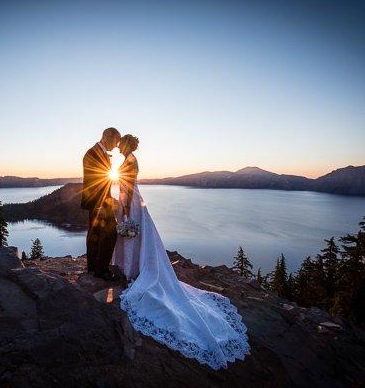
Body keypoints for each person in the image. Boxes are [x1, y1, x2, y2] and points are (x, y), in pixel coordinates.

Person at [112, 134, 250, 369]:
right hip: (132, 201)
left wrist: (123, 209)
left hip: (131, 202)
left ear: (126, 145)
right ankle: (133, 270)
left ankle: (132, 272)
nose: (118, 148)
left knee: (133, 236)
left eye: (120, 145)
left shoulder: (129, 160)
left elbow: (126, 183)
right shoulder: (131, 158)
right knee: (138, 239)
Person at [81, 127, 121, 281]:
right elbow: (96, 182)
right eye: (116, 141)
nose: (117, 146)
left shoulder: (96, 152)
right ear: (106, 137)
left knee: (95, 234)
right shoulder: (94, 153)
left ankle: (93, 267)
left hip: (98, 201)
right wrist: (103, 205)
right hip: (100, 202)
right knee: (110, 234)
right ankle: (102, 270)